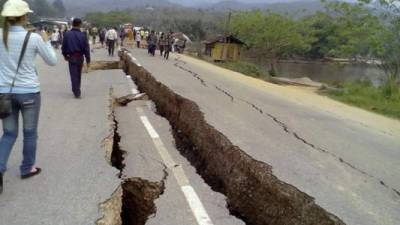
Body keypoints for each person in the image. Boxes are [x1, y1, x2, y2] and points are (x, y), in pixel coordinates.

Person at [0, 0, 57, 194]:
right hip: (29, 93)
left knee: (8, 134)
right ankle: (27, 168)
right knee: (30, 133)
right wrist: (47, 40)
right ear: (24, 17)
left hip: (4, 93)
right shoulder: (33, 38)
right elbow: (52, 61)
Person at [61, 18, 91, 98]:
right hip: (80, 57)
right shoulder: (83, 35)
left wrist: (65, 55)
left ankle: (76, 91)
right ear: (80, 24)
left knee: (73, 74)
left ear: (72, 24)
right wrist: (88, 60)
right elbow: (86, 48)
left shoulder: (67, 34)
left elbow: (64, 46)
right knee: (78, 74)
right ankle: (77, 90)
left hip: (71, 57)